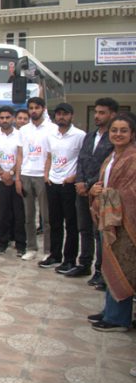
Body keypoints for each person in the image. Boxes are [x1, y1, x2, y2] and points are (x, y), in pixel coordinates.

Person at [88, 114, 136, 334]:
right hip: (108, 218)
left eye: (123, 130)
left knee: (122, 269)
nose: (118, 134)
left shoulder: (132, 158)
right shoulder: (112, 156)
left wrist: (106, 193)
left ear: (132, 134)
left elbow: (131, 192)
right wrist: (96, 189)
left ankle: (118, 317)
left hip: (125, 224)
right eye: (114, 130)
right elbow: (106, 182)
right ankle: (110, 310)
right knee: (109, 266)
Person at [71, 98, 118, 281]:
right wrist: (80, 182)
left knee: (100, 232)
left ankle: (100, 270)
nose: (97, 116)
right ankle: (84, 264)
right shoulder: (89, 136)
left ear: (112, 114)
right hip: (82, 189)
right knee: (84, 229)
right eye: (96, 112)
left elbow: (106, 166)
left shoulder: (113, 138)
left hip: (100, 191)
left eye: (102, 112)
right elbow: (81, 160)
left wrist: (89, 184)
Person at [41, 103, 86, 273]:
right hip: (52, 182)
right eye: (58, 114)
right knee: (54, 222)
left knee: (71, 224)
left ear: (71, 116)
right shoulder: (51, 135)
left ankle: (69, 259)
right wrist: (46, 176)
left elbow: (83, 160)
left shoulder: (79, 136)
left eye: (65, 114)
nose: (61, 117)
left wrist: (74, 178)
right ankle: (55, 255)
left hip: (69, 184)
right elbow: (49, 157)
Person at [15, 97, 56, 261]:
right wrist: (18, 178)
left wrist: (48, 174)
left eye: (37, 108)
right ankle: (31, 248)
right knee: (28, 216)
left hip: (43, 177)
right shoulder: (23, 130)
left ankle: (48, 250)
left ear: (43, 109)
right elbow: (19, 155)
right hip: (26, 174)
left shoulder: (52, 129)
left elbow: (53, 155)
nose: (33, 111)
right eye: (31, 108)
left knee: (47, 218)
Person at [0, 106, 25, 256]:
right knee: (1, 213)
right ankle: (2, 242)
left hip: (17, 180)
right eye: (2, 118)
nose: (4, 120)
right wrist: (2, 173)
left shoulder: (21, 135)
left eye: (7, 117)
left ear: (13, 118)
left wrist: (11, 173)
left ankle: (21, 244)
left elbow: (22, 156)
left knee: (19, 213)